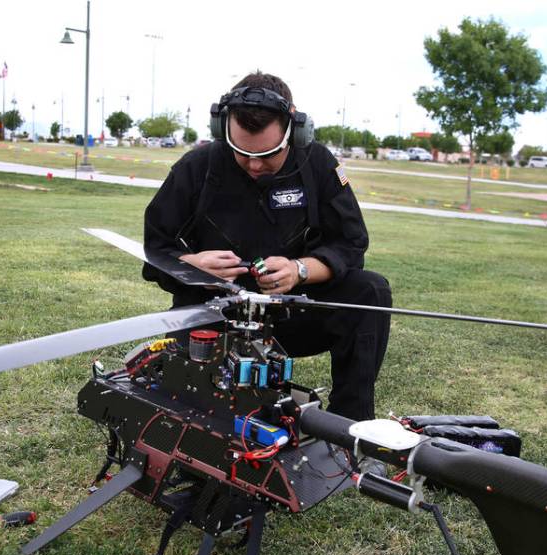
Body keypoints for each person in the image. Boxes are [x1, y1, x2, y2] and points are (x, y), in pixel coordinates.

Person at [143, 71, 391, 422]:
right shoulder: (196, 167)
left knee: (371, 290)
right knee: (205, 418)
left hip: (289, 317)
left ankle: (349, 425)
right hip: (213, 319)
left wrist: (299, 270)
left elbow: (351, 245)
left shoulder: (318, 164)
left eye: (269, 153)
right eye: (241, 152)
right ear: (221, 129)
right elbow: (155, 248)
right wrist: (192, 264)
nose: (255, 165)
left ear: (295, 130)